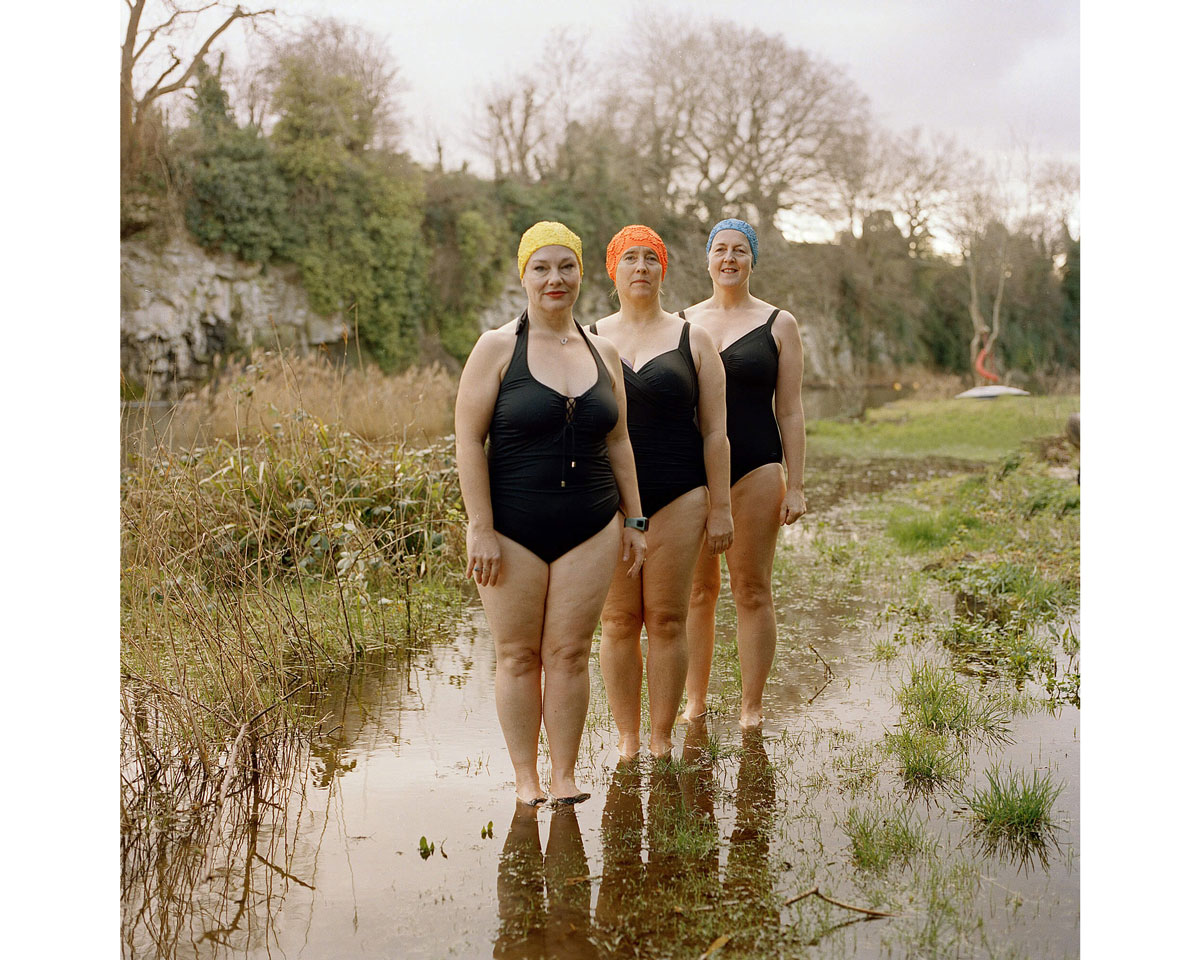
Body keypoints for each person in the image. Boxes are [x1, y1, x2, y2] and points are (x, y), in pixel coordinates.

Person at [455, 221, 647, 807]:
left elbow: (618, 441)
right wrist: (480, 527)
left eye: (566, 266)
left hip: (590, 523)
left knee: (568, 653)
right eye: (541, 267)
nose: (554, 279)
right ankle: (526, 780)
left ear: (582, 273)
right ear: (524, 276)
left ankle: (563, 776)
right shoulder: (495, 348)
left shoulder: (603, 351)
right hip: (512, 527)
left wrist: (635, 520)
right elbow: (467, 440)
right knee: (517, 655)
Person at [589, 225, 733, 759]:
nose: (642, 267)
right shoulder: (588, 338)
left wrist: (720, 507)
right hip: (609, 502)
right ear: (614, 270)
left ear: (664, 270)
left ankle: (661, 739)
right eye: (631, 258)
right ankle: (627, 739)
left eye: (652, 258)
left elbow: (715, 431)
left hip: (681, 495)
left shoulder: (692, 338)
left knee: (669, 619)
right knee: (619, 621)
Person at [680, 218, 807, 729]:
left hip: (756, 468)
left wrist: (795, 484)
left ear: (753, 260)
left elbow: (791, 411)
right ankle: (694, 701)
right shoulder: (683, 322)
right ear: (707, 259)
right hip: (693, 472)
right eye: (720, 249)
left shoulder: (780, 324)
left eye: (740, 250)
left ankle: (751, 708)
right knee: (697, 592)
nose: (729, 258)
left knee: (752, 589)